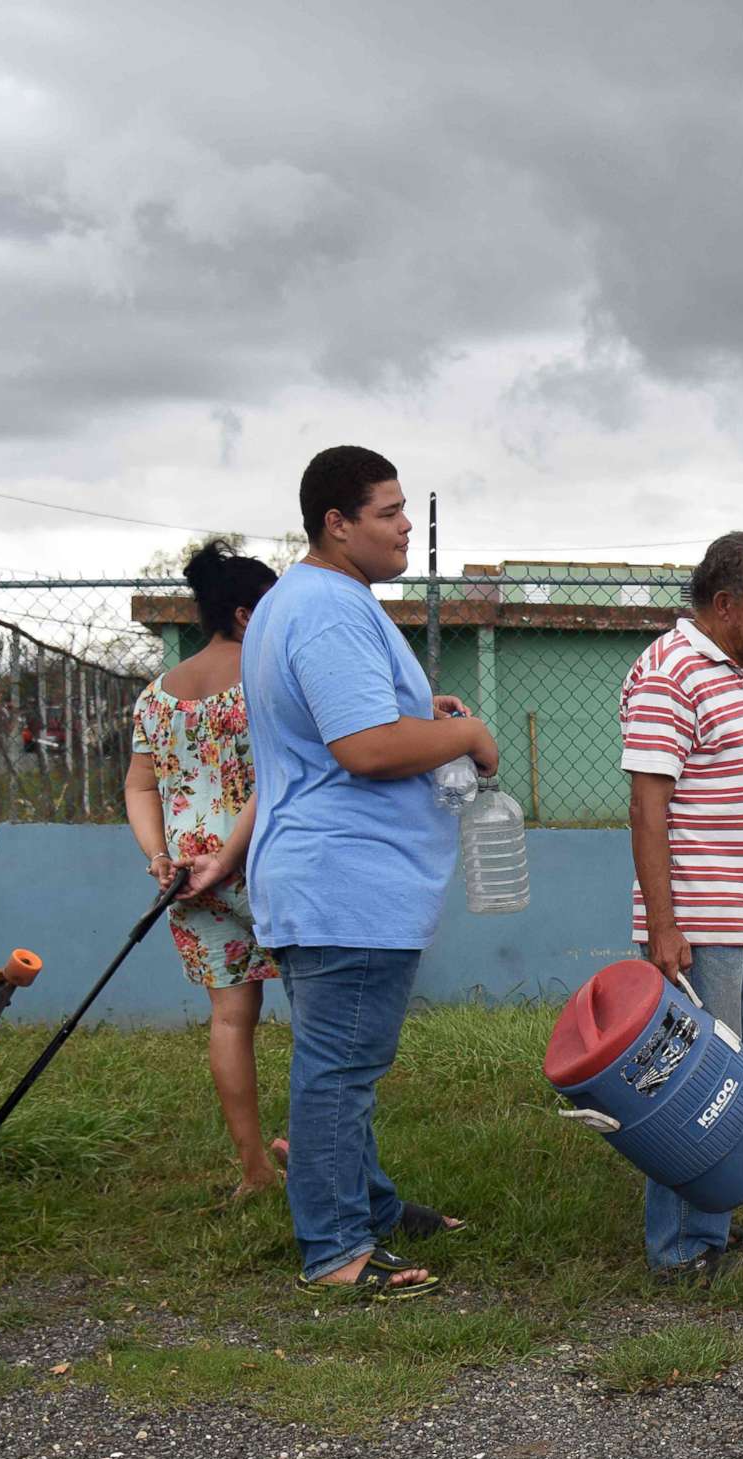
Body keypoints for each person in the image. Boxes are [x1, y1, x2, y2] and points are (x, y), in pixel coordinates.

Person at [241, 445, 489, 1301]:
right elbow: (366, 748)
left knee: (340, 1059)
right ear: (336, 524)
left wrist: (426, 709)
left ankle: (367, 1203)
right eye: (388, 513)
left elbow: (352, 722)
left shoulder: (298, 602)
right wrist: (464, 737)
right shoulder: (333, 610)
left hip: (324, 879)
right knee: (339, 1069)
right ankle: (336, 1247)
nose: (405, 526)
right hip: (346, 882)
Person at [620, 530, 743, 1282]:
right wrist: (665, 927)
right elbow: (646, 806)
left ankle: (712, 1222)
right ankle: (681, 1251)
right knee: (689, 1092)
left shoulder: (739, 671)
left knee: (735, 1084)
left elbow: (738, 768)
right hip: (701, 925)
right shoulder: (670, 674)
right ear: (724, 603)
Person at [125, 541, 289, 1205]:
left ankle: (254, 1168)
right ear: (249, 616)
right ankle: (314, 1143)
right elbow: (281, 776)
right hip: (266, 863)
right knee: (321, 1011)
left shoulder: (155, 697)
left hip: (188, 876)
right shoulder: (267, 682)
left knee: (230, 1019)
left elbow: (138, 787)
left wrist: (158, 853)